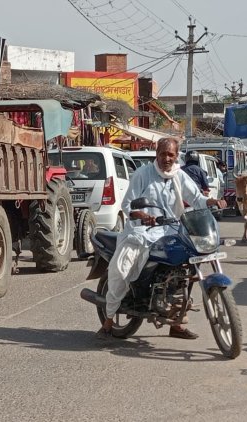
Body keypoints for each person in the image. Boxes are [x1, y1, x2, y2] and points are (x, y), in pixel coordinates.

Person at [97, 137, 227, 340]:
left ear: (177, 156)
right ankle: (108, 321)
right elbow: (128, 204)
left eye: (171, 155)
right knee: (121, 270)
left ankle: (177, 324)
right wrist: (142, 215)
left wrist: (213, 201)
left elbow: (196, 198)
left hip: (171, 231)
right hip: (140, 232)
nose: (166, 158)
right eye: (163, 154)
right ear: (157, 153)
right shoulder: (143, 174)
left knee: (183, 271)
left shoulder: (179, 175)